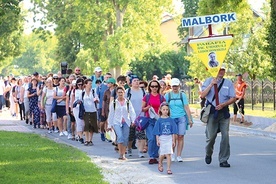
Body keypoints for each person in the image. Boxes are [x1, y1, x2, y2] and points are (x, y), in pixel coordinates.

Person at [201, 66, 236, 167]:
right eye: (220, 69)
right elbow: (203, 95)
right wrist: (211, 85)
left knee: (225, 136)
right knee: (211, 137)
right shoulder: (208, 81)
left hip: (223, 112)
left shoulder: (228, 83)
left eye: (223, 70)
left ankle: (223, 159)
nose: (222, 71)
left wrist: (224, 104)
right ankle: (208, 153)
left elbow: (233, 97)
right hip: (212, 112)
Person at [165, 78, 193, 162]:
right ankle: (172, 153)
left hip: (181, 117)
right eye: (173, 86)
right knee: (174, 136)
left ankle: (179, 155)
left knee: (181, 136)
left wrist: (190, 119)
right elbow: (165, 107)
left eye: (176, 86)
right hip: (172, 118)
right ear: (171, 86)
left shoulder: (182, 95)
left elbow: (186, 107)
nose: (175, 88)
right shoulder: (168, 95)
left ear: (179, 86)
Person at [107, 87, 136, 160]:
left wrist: (133, 121)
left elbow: (132, 112)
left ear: (124, 93)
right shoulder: (114, 103)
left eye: (121, 92)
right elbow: (111, 114)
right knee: (120, 137)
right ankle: (120, 154)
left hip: (126, 122)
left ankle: (123, 153)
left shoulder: (128, 102)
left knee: (125, 138)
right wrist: (109, 125)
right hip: (117, 122)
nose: (120, 94)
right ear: (116, 93)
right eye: (119, 92)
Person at [142, 80, 166, 164]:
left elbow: (165, 108)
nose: (154, 88)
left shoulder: (161, 97)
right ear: (150, 87)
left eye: (156, 86)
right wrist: (148, 107)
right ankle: (151, 156)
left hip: (158, 120)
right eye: (152, 86)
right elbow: (142, 109)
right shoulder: (147, 96)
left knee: (157, 138)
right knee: (151, 138)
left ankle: (155, 155)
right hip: (149, 119)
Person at [153, 102, 177, 175]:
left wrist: (173, 140)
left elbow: (174, 131)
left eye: (167, 109)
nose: (165, 111)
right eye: (164, 109)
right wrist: (157, 140)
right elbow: (157, 132)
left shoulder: (171, 120)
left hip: (169, 137)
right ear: (160, 110)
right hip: (162, 137)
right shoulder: (159, 121)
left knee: (168, 154)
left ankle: (168, 168)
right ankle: (160, 163)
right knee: (162, 154)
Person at [125, 75, 146, 157]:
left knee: (141, 135)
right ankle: (129, 148)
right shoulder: (128, 91)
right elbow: (124, 103)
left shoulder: (143, 91)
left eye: (138, 80)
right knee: (131, 135)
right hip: (131, 117)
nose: (136, 82)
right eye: (134, 80)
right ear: (131, 82)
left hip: (141, 116)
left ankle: (140, 151)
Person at [82, 79, 99, 146]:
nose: (90, 85)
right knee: (86, 125)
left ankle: (90, 140)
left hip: (93, 110)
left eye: (91, 83)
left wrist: (96, 100)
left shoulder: (93, 91)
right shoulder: (83, 92)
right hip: (86, 110)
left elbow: (98, 99)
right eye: (89, 83)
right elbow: (80, 100)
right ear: (85, 84)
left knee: (92, 126)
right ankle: (86, 139)